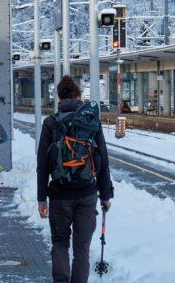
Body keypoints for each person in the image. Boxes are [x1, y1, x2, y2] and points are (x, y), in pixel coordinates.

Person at [37, 76, 113, 283]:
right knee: (82, 249)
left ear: (59, 97)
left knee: (60, 243)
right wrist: (105, 196)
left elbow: (42, 164)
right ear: (78, 96)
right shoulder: (91, 122)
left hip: (59, 194)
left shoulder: (51, 122)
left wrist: (41, 198)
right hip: (87, 193)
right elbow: (103, 162)